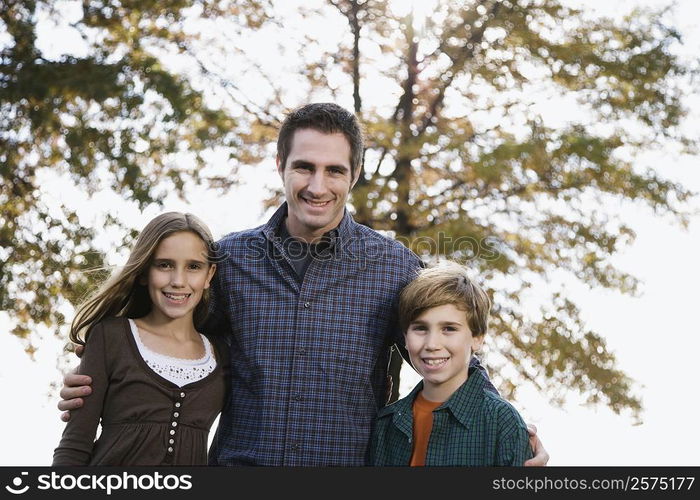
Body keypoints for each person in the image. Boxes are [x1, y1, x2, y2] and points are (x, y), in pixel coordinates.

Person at [58, 103, 548, 466]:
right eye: (304, 167)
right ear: (280, 167)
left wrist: (506, 430)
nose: (318, 186)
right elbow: (170, 336)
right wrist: (99, 380)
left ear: (353, 174)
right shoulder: (229, 260)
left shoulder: (393, 267)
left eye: (334, 170)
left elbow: (444, 352)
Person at [53, 212, 227, 466]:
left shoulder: (222, 355)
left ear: (209, 275)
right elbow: (74, 446)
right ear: (144, 271)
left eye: (193, 267)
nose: (178, 281)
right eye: (164, 265)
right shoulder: (110, 336)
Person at [370, 261, 532, 466]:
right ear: (404, 336)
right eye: (420, 328)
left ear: (477, 338)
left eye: (448, 329)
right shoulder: (387, 424)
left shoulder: (502, 422)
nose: (432, 344)